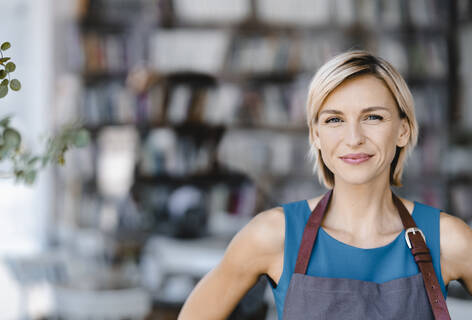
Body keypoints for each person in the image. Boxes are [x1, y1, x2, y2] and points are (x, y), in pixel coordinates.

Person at [177, 50, 472, 319]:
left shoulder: (448, 240)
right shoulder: (273, 235)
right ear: (316, 135)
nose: (354, 137)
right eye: (334, 120)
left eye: (373, 117)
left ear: (403, 131)